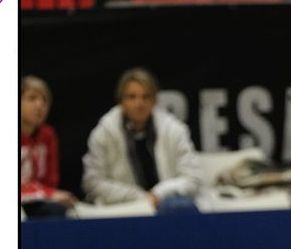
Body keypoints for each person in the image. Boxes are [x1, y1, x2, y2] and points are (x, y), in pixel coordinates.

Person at [81, 66, 204, 210]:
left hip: (166, 203)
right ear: (121, 101)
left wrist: (159, 194)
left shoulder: (174, 130)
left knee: (179, 206)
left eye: (146, 97)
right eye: (132, 97)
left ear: (154, 101)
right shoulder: (104, 133)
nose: (139, 104)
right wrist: (139, 198)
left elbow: (193, 178)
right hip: (124, 206)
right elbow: (92, 183)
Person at [20, 76, 77, 218]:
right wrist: (48, 193)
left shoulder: (48, 135)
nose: (39, 105)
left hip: (38, 200)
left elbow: (51, 181)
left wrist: (47, 193)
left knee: (67, 211)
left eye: (44, 100)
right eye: (32, 98)